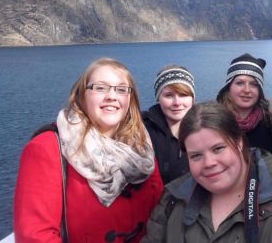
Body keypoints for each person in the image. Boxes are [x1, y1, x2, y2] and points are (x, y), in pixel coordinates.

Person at [142, 101, 272, 243]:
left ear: (239, 143)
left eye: (218, 148)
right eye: (196, 156)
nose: (209, 163)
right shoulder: (172, 202)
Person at [14, 58, 164, 243]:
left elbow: (159, 213)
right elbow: (35, 236)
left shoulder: (141, 147)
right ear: (81, 95)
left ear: (130, 99)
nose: (111, 96)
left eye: (121, 89)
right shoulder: (47, 148)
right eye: (100, 88)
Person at [216, 53, 272, 160]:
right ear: (229, 87)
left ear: (260, 90)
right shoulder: (214, 123)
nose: (247, 90)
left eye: (254, 84)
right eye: (240, 83)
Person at [142, 65, 195, 184]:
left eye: (183, 95)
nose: (177, 102)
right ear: (158, 98)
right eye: (169, 95)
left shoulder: (206, 130)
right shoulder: (142, 130)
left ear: (192, 98)